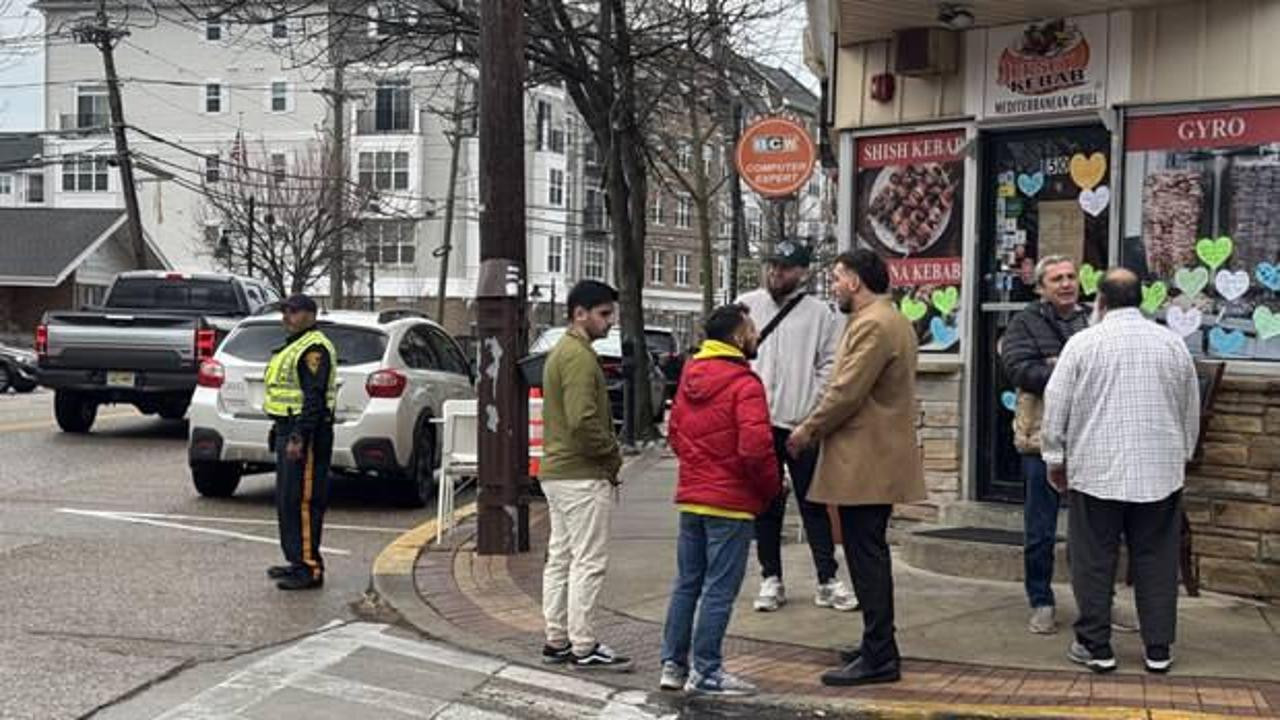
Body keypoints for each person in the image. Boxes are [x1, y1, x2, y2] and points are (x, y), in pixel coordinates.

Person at [1041, 268, 1199, 675]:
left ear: (1101, 300)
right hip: (1159, 470)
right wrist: (1182, 454)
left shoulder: (1082, 344)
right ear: (1141, 299)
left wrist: (1054, 457)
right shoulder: (1172, 343)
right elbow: (1189, 405)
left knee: (1093, 559)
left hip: (1096, 469)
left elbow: (1056, 405)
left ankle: (1096, 646)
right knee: (1157, 559)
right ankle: (1158, 648)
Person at [787, 249, 926, 687]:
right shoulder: (889, 319)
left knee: (866, 556)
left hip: (867, 458)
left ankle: (880, 655)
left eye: (837, 277)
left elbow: (846, 391)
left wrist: (807, 429)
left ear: (856, 281)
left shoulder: (873, 324)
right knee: (868, 552)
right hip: (874, 457)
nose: (834, 286)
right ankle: (876, 644)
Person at [659, 304, 781, 697]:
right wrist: (769, 490)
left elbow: (676, 434)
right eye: (752, 329)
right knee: (718, 590)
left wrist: (698, 467)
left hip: (693, 498)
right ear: (738, 336)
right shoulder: (746, 384)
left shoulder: (690, 375)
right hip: (731, 503)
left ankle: (673, 665)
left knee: (687, 584)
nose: (757, 335)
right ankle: (707, 670)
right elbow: (756, 449)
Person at [736, 240, 856, 614]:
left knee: (813, 502)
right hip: (759, 422)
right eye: (772, 265)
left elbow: (830, 363)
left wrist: (812, 407)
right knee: (766, 504)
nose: (776, 273)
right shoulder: (747, 305)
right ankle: (771, 577)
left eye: (785, 268)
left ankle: (827, 578)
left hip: (800, 423)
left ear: (802, 272)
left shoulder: (821, 314)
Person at [539, 280, 629, 671]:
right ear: (580, 314)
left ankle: (558, 639)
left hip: (558, 471)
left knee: (561, 557)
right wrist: (611, 453)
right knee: (588, 561)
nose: (610, 322)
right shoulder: (579, 357)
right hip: (582, 473)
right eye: (604, 314)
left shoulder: (562, 351)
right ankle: (583, 644)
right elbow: (583, 420)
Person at [999, 255, 1089, 635]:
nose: (1066, 284)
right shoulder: (1025, 322)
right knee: (1040, 528)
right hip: (1041, 437)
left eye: (1070, 277)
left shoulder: (1093, 319)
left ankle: (1097, 603)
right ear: (1040, 288)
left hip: (1090, 438)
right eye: (1057, 279)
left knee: (1095, 529)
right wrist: (1068, 371)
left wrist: (1056, 364)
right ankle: (1041, 601)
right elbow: (1020, 370)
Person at [263, 293, 336, 591]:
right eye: (284, 311)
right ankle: (297, 560)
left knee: (303, 502)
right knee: (287, 500)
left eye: (292, 311)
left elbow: (314, 398)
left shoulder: (313, 349)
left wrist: (299, 436)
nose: (286, 317)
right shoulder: (293, 346)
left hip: (307, 434)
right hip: (288, 428)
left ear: (310, 314)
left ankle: (309, 568)